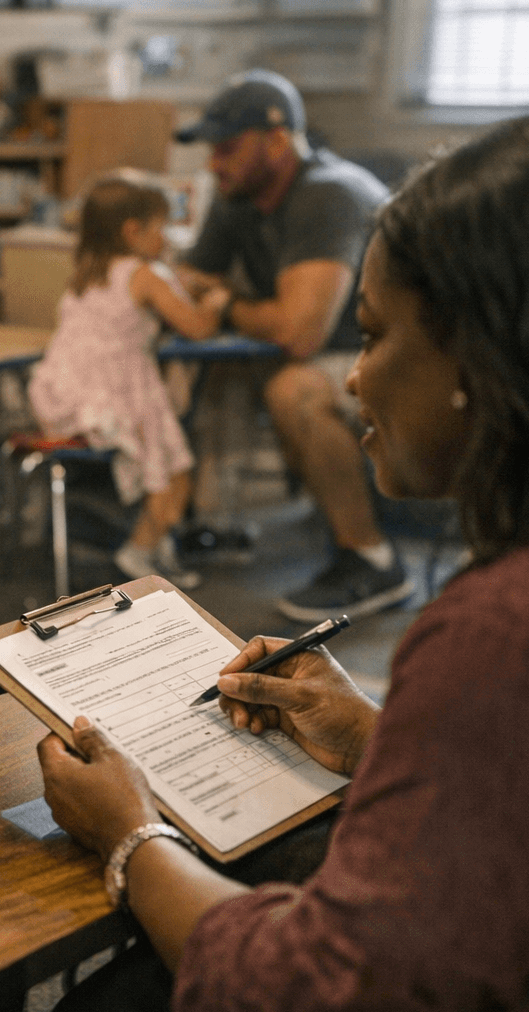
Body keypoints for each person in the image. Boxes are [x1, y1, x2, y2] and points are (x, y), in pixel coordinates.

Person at [38, 100, 529, 1012]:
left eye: (372, 333)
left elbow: (327, 993)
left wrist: (131, 834)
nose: (354, 375)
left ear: (493, 356)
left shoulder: (519, 626)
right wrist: (386, 739)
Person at [173, 69, 410, 622]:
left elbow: (299, 332)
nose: (214, 163)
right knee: (216, 369)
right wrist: (236, 303)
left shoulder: (329, 194)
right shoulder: (239, 196)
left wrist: (229, 303)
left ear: (278, 141)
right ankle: (218, 524)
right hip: (335, 349)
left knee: (295, 390)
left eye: (227, 148)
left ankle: (373, 560)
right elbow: (189, 279)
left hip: (403, 356)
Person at [28, 172, 232, 589]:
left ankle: (157, 550)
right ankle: (138, 554)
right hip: (120, 396)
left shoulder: (85, 274)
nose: (169, 238)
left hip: (66, 396)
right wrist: (217, 300)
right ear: (133, 231)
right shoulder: (144, 273)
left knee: (165, 466)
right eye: (162, 227)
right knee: (176, 469)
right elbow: (195, 326)